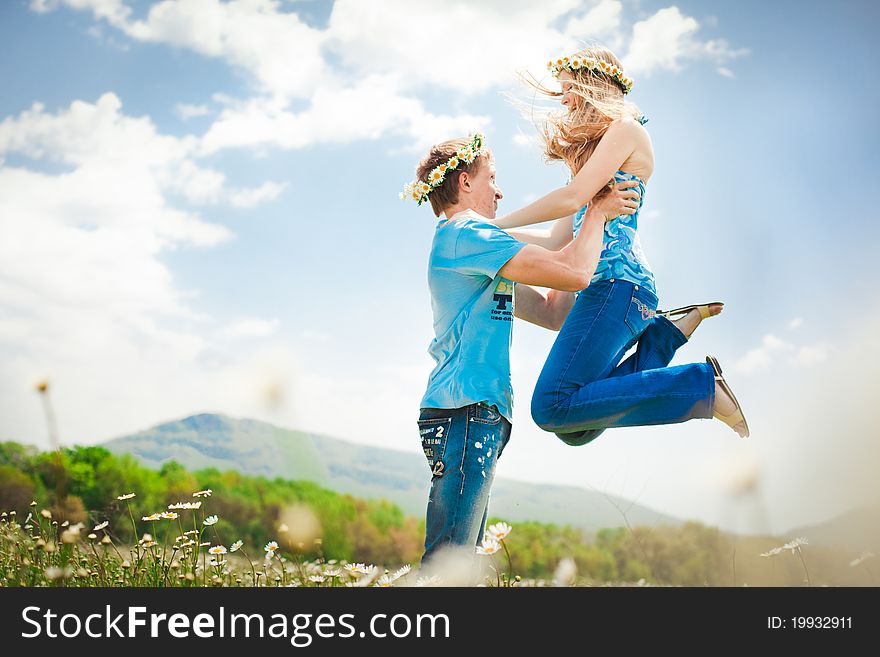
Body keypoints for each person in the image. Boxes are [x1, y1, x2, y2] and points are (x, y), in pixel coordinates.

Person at [402, 133, 639, 568]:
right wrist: (598, 214)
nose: (499, 190)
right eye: (491, 178)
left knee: (456, 563)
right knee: (447, 566)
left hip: (475, 412)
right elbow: (571, 270)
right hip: (465, 411)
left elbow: (552, 313)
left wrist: (587, 208)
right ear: (464, 183)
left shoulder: (475, 248)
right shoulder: (465, 233)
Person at [491, 45, 749, 445]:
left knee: (551, 407)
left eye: (568, 89)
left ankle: (701, 386)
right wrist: (490, 236)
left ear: (592, 84)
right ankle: (661, 338)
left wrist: (495, 221)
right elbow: (558, 239)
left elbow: (571, 198)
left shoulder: (627, 131)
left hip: (618, 286)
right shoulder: (595, 159)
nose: (565, 100)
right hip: (616, 292)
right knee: (575, 430)